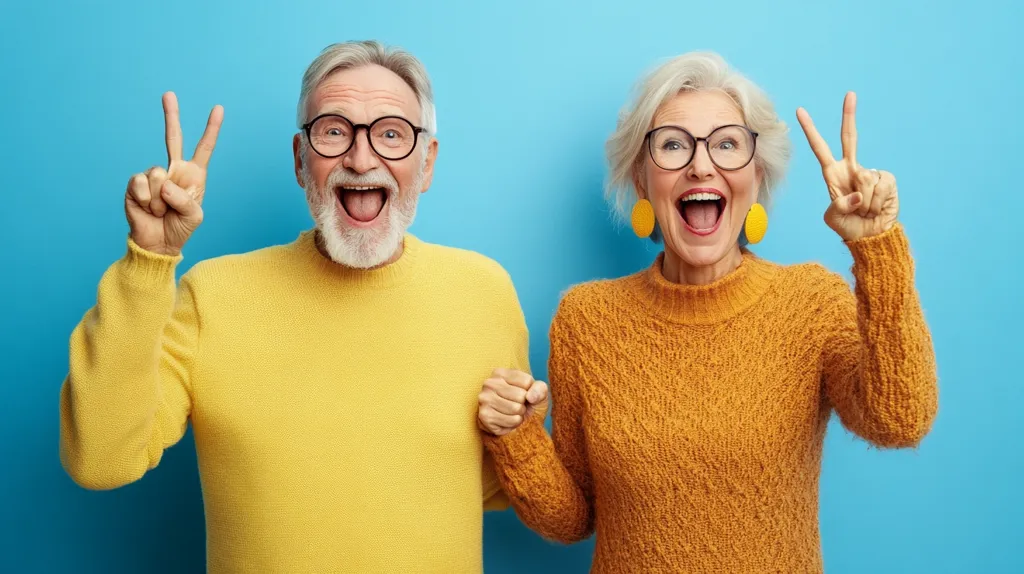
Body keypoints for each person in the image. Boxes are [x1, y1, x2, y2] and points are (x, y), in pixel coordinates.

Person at [59, 40, 529, 573]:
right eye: (334, 131)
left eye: (392, 134)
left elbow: (490, 491)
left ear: (427, 164)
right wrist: (152, 259)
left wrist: (518, 432)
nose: (361, 157)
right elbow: (99, 460)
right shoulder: (212, 296)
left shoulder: (484, 292)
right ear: (301, 160)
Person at [477, 51, 938, 573]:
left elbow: (900, 419)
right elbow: (574, 516)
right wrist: (514, 436)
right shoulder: (587, 319)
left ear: (756, 177)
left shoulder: (809, 302)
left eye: (726, 145)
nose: (701, 164)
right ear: (640, 180)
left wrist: (877, 247)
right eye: (673, 145)